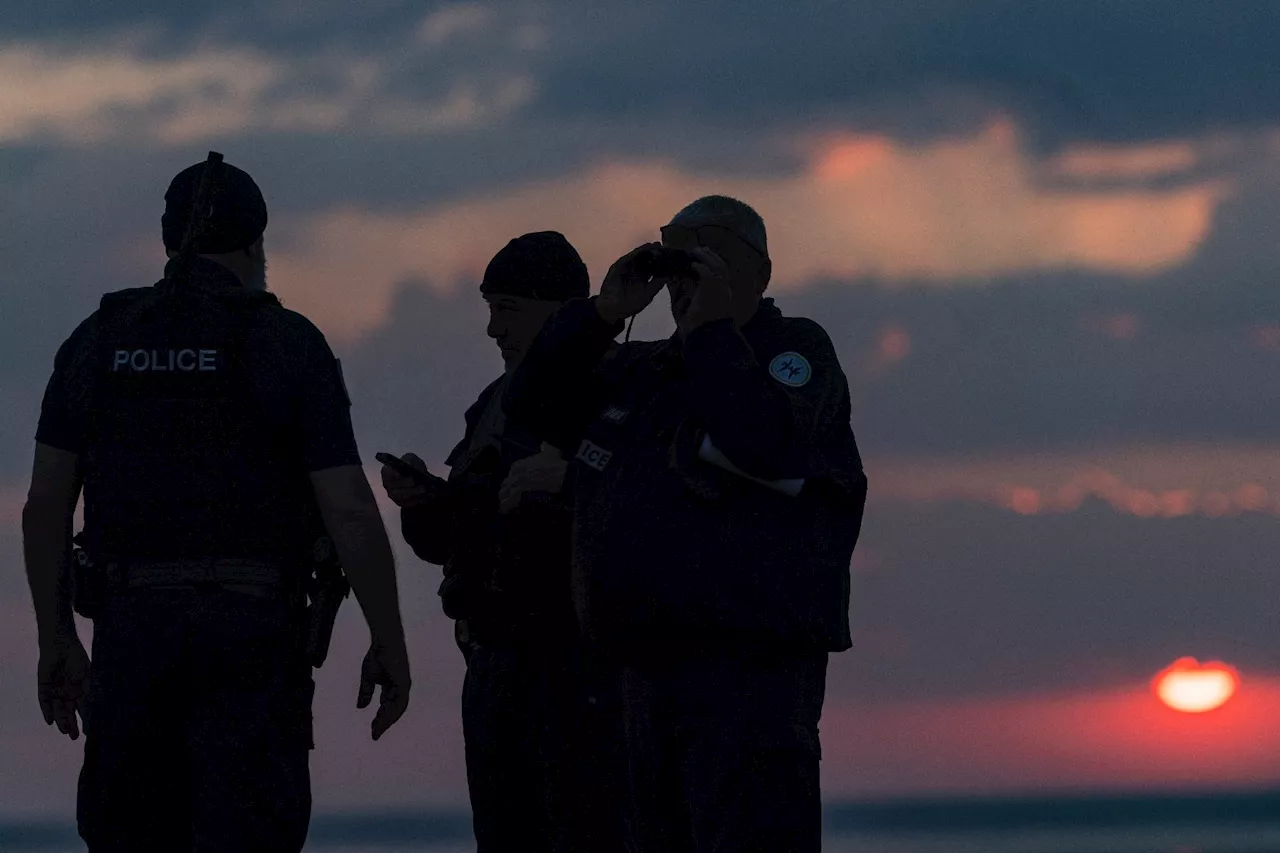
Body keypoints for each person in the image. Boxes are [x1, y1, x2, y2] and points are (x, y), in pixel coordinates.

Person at [22, 155, 412, 853]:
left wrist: (56, 637)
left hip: (132, 636)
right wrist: (390, 639)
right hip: (252, 643)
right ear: (256, 246)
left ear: (170, 242)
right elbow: (349, 509)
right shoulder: (288, 343)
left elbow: (46, 504)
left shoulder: (100, 339)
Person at [502, 197, 869, 852]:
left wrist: (712, 332)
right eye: (675, 257)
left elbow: (763, 439)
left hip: (749, 685)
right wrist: (601, 314)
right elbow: (530, 403)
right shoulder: (643, 373)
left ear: (757, 269)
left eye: (706, 253)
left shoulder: (793, 355)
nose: (684, 278)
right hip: (641, 681)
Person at [380, 232, 625, 852]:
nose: (492, 329)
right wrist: (424, 502)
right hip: (497, 664)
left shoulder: (618, 389)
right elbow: (466, 530)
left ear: (561, 311)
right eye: (490, 308)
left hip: (578, 668)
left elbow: (638, 508)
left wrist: (569, 484)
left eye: (508, 309)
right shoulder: (494, 405)